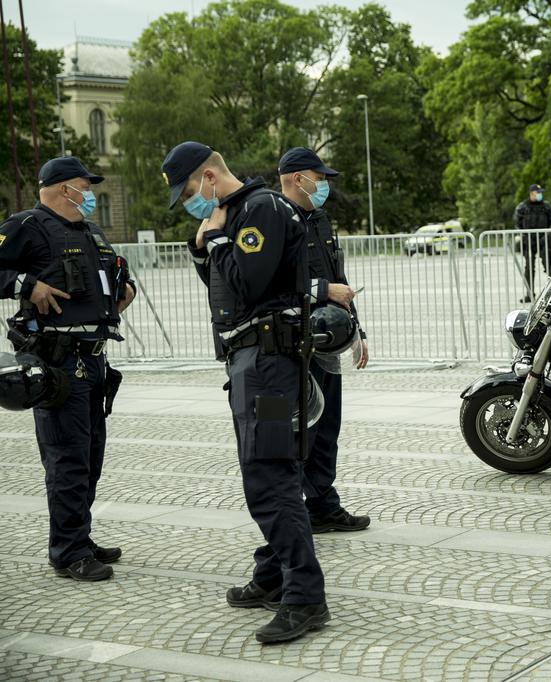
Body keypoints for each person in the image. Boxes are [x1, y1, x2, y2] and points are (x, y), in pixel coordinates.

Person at [163, 141, 328, 643]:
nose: (191, 202)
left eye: (190, 191)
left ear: (210, 178)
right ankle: (274, 576)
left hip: (270, 366)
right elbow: (224, 285)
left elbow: (250, 284)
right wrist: (204, 249)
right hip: (252, 362)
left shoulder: (259, 210)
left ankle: (305, 597)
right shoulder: (237, 215)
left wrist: (215, 240)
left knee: (270, 477)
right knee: (270, 472)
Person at [0, 156, 135, 581]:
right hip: (59, 361)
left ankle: (80, 535)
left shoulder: (90, 232)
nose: (90, 193)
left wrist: (124, 289)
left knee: (90, 456)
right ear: (62, 188)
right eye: (84, 186)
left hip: (94, 359)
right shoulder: (27, 225)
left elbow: (117, 275)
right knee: (67, 459)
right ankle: (68, 550)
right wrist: (28, 285)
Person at [277, 147, 371, 534]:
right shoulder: (275, 220)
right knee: (299, 430)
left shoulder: (320, 219)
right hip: (292, 343)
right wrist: (321, 290)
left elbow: (340, 280)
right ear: (298, 179)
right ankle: (289, 510)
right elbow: (269, 281)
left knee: (327, 425)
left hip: (327, 342)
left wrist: (356, 331)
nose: (326, 185)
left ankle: (322, 506)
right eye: (320, 177)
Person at [513, 183, 551, 302]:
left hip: (544, 241)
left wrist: (547, 234)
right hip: (528, 241)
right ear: (531, 194)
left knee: (549, 265)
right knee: (529, 267)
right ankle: (530, 294)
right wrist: (524, 236)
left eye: (541, 192)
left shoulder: (547, 206)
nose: (540, 195)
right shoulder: (522, 207)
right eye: (538, 193)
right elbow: (517, 224)